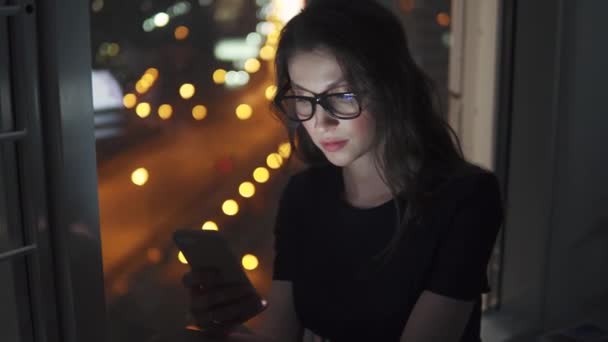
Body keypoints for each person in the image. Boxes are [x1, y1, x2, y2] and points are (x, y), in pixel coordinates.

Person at [182, 0, 504, 341]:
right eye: (303, 98)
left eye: (342, 95)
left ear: (391, 87)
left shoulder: (466, 198)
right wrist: (226, 328)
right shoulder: (304, 196)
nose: (321, 121)